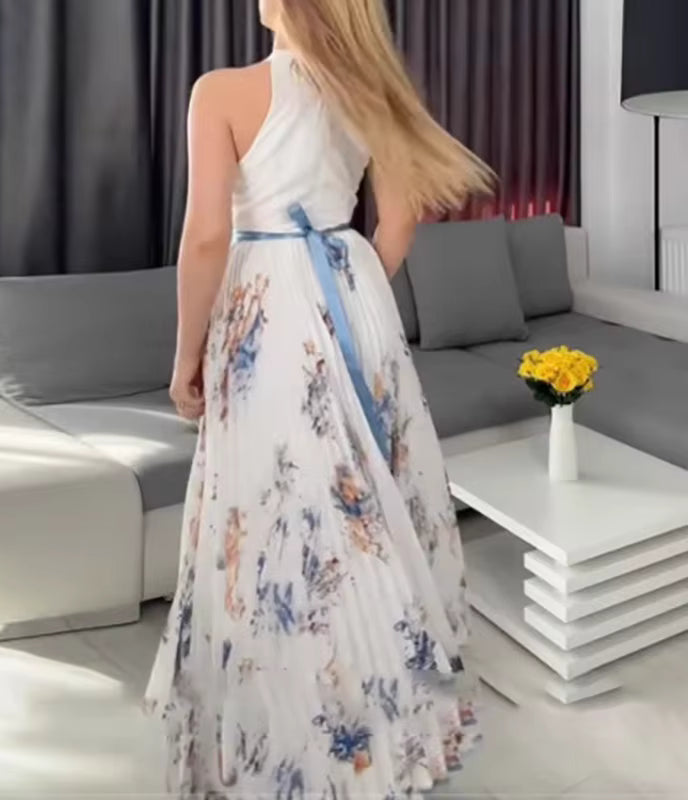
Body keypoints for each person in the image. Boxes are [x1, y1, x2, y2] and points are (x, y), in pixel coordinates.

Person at [143, 0, 493, 796]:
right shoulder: (374, 90)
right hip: (351, 291)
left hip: (266, 297)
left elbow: (206, 237)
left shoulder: (221, 91)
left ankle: (290, 720)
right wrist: (349, 292)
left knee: (273, 507)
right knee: (363, 501)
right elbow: (399, 220)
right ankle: (385, 707)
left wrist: (186, 354)